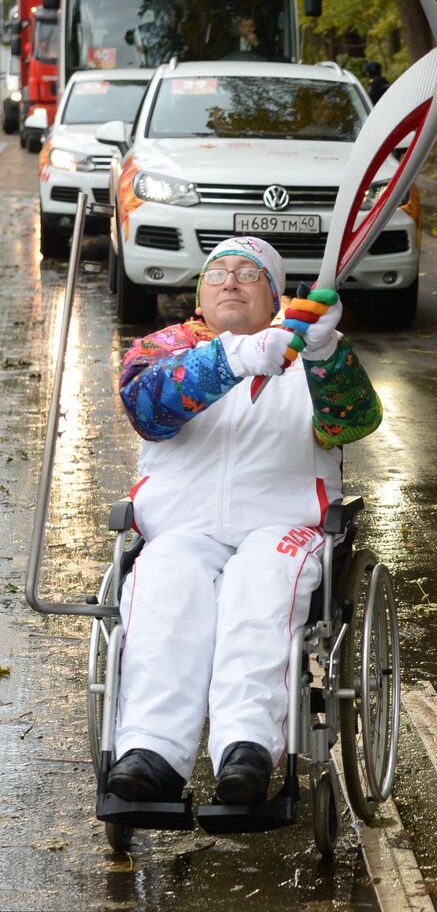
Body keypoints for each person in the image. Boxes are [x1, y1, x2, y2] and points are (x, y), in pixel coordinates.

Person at [106, 236, 382, 805]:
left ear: (275, 295)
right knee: (166, 590)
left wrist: (325, 351)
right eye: (218, 273)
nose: (231, 280)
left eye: (249, 273)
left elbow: (354, 421)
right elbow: (148, 409)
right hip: (181, 530)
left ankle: (247, 749)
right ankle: (151, 750)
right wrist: (235, 357)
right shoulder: (162, 348)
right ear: (200, 298)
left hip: (283, 526)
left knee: (260, 588)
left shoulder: (312, 353)